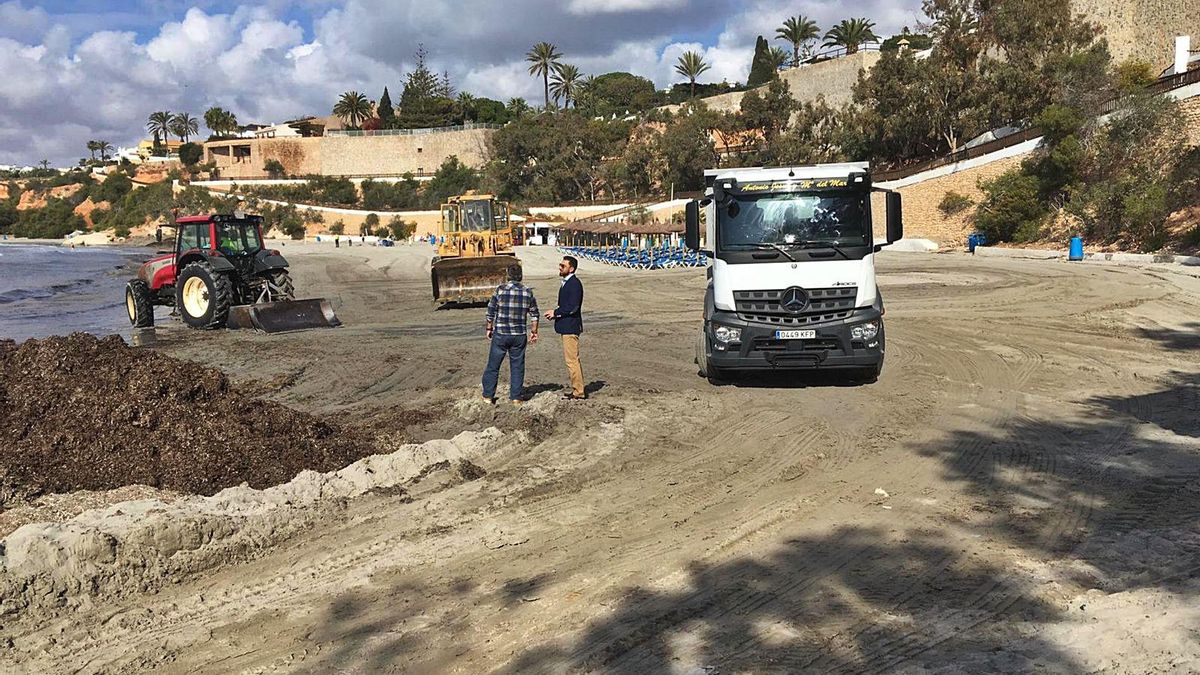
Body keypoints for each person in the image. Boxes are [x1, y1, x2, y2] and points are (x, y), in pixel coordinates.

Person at [483, 265, 539, 405]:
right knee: (517, 366)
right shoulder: (528, 292)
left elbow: (490, 311)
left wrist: (489, 328)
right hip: (519, 334)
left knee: (493, 366)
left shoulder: (500, 290)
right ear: (520, 276)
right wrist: (534, 331)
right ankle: (516, 397)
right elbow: (534, 314)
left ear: (507, 275)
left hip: (501, 333)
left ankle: (488, 396)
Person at [544, 255, 585, 400]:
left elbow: (572, 307)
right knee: (571, 360)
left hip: (570, 327)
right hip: (566, 325)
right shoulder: (567, 282)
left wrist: (556, 312)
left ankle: (578, 392)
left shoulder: (574, 283)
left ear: (571, 268)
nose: (560, 268)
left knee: (572, 360)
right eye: (560, 265)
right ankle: (577, 390)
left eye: (563, 266)